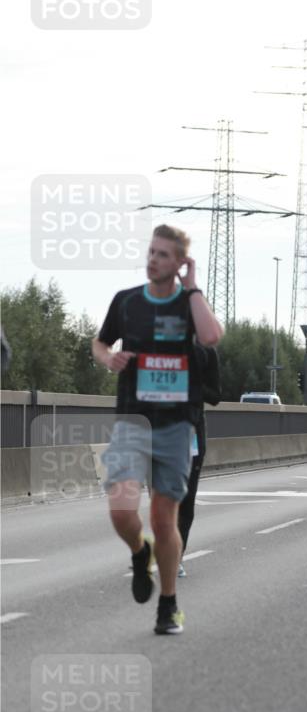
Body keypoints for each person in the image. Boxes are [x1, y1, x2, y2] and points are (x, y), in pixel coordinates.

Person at [92, 225, 223, 635]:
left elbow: (211, 336)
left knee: (165, 520)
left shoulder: (189, 305)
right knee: (121, 510)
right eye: (151, 252)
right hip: (133, 422)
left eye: (163, 255)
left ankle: (168, 605)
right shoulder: (127, 301)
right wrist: (108, 357)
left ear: (180, 263)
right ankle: (138, 550)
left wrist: (193, 288)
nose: (153, 260)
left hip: (174, 428)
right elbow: (99, 343)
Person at [177, 342, 223, 575]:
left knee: (185, 500)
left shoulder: (206, 351)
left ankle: (177, 556)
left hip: (192, 432)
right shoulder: (157, 344)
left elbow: (215, 396)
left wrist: (191, 385)